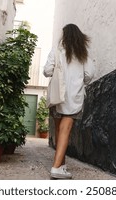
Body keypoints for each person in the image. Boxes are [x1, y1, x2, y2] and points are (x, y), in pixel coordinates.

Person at [43, 23, 95, 179]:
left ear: (64, 36)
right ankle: (56, 167)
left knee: (60, 131)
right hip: (74, 97)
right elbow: (89, 75)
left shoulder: (56, 52)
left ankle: (61, 165)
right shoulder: (83, 54)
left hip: (57, 96)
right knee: (65, 131)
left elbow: (47, 71)